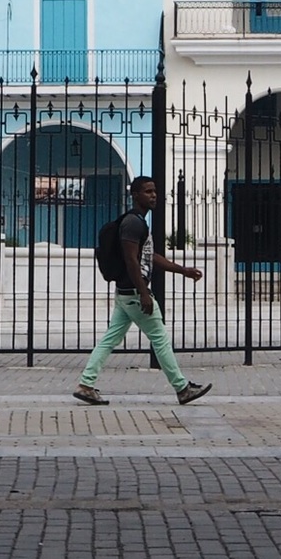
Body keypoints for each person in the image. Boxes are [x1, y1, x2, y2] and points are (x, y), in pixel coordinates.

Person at [76, 174, 212, 406]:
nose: (153, 195)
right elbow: (131, 260)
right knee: (160, 339)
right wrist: (144, 293)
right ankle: (182, 388)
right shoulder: (133, 223)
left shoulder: (139, 222)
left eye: (155, 191)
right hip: (134, 294)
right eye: (148, 191)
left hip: (126, 294)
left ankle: (86, 384)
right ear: (135, 195)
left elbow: (149, 256)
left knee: (110, 339)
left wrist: (182, 270)